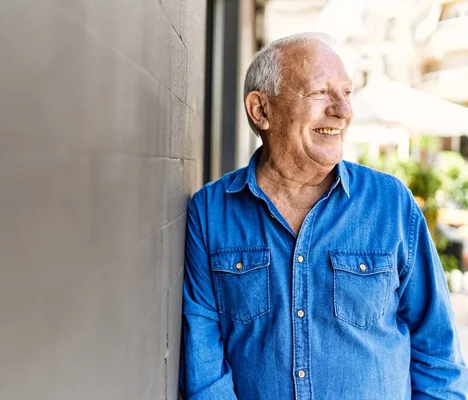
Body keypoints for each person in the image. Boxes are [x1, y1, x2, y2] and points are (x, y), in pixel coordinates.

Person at [179, 32, 468, 399]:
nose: (343, 111)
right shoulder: (210, 212)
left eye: (346, 93)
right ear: (261, 110)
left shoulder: (391, 204)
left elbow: (439, 356)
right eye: (319, 93)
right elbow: (204, 364)